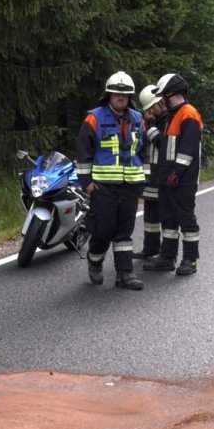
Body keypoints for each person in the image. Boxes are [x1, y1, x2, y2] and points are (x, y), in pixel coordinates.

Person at [75, 71, 147, 290]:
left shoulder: (137, 119)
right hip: (103, 186)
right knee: (104, 229)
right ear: (109, 94)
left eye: (125, 94)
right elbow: (83, 152)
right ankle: (95, 260)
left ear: (130, 97)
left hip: (130, 186)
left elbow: (142, 151)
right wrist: (86, 182)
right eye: (117, 93)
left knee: (124, 232)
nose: (120, 97)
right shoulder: (94, 118)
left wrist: (142, 180)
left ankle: (125, 274)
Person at [143, 73, 203, 276]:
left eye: (164, 96)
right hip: (167, 178)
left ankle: (190, 259)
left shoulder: (189, 114)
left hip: (182, 180)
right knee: (168, 219)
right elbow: (165, 148)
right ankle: (167, 257)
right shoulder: (172, 116)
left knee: (185, 219)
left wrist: (177, 172)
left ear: (172, 94)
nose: (163, 101)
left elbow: (188, 149)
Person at [134, 84, 166, 260]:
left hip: (162, 176)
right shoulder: (148, 121)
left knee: (165, 215)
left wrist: (151, 126)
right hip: (149, 177)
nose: (151, 112)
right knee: (150, 216)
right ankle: (150, 248)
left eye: (152, 108)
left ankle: (165, 252)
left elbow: (163, 145)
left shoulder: (168, 119)